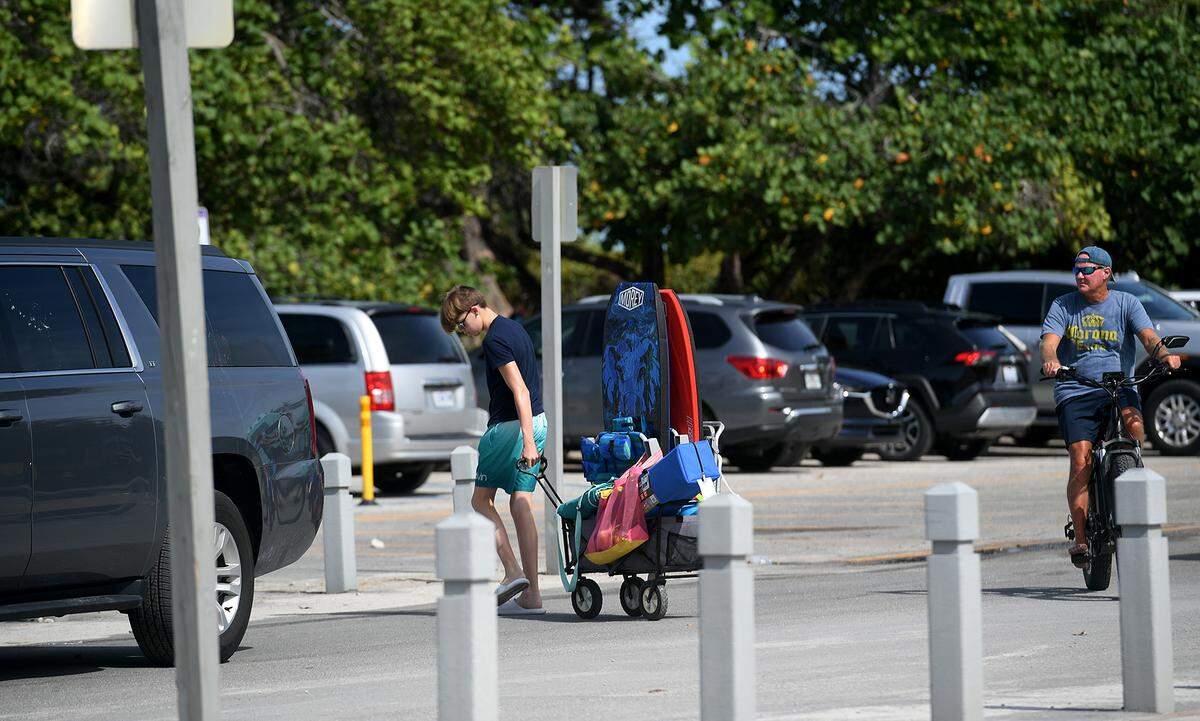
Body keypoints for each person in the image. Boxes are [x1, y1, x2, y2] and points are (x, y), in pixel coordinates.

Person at [1040, 246, 1180, 567]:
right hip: (1077, 389)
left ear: (1105, 273)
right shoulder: (1064, 305)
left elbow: (1147, 337)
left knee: (1135, 427)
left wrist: (1164, 355)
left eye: (1086, 270)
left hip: (1118, 386)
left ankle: (1131, 474)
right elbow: (1049, 342)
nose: (1080, 275)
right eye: (1076, 270)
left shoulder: (1126, 303)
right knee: (1080, 458)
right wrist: (1051, 361)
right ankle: (1081, 539)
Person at [441, 286, 548, 614]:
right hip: (539, 422)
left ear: (474, 310)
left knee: (480, 500)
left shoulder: (494, 340)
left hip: (509, 429)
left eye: (460, 325)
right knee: (520, 504)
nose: (463, 333)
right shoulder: (516, 327)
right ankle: (532, 595)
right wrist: (533, 436)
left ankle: (513, 572)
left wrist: (526, 440)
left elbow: (520, 390)